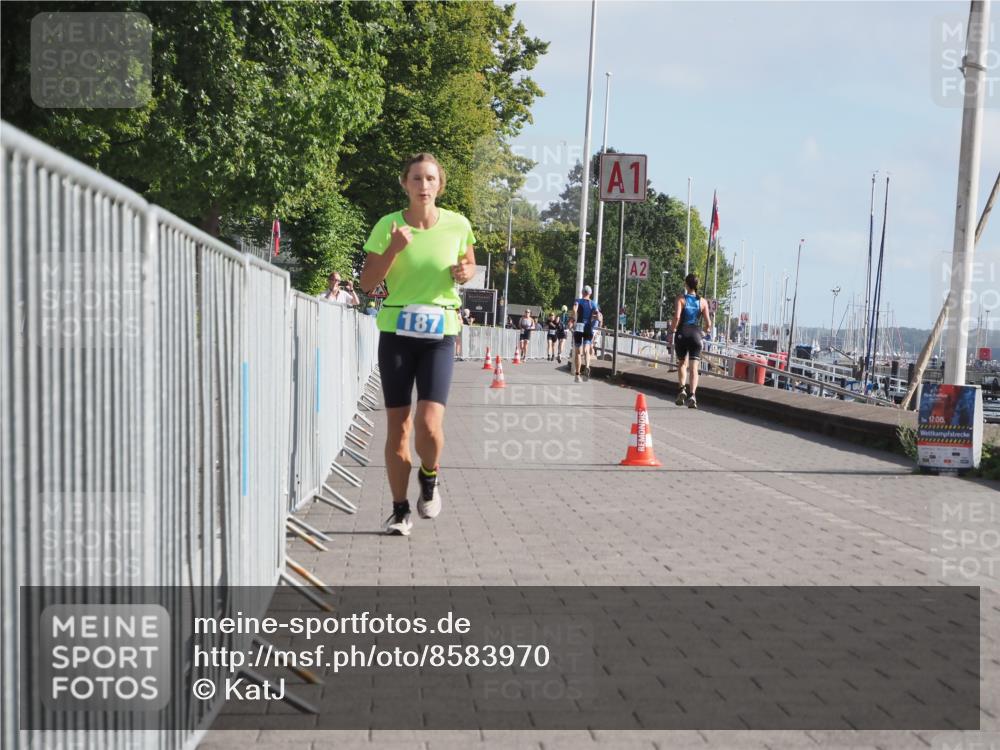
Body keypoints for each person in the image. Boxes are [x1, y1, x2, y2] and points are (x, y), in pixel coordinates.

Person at [359, 153, 476, 536]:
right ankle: (399, 510)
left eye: (430, 179)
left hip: (440, 332)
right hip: (396, 331)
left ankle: (429, 475)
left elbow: (469, 264)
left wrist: (465, 271)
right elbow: (366, 283)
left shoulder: (458, 224)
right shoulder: (388, 225)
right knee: (399, 427)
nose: (423, 186)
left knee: (429, 423)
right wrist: (394, 248)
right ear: (404, 184)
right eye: (416, 179)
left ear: (440, 185)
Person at [671, 273, 713, 409]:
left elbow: (677, 317)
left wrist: (671, 330)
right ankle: (692, 395)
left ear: (686, 284)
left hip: (682, 333)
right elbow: (708, 323)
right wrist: (705, 332)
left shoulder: (681, 299)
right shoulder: (703, 302)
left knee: (682, 363)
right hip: (696, 335)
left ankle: (682, 389)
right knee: (694, 368)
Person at [572, 286, 599, 383]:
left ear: (582, 292)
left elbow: (575, 309)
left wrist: (574, 318)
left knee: (578, 352)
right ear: (590, 293)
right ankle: (587, 366)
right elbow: (598, 315)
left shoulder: (578, 301)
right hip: (588, 327)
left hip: (579, 326)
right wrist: (597, 319)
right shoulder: (593, 304)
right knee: (587, 349)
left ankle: (577, 375)